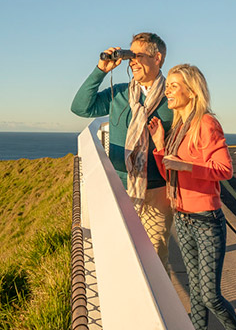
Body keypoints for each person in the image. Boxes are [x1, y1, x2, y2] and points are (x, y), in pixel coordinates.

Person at [147, 64, 236, 330]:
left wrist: (187, 166)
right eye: (168, 87)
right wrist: (161, 145)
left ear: (192, 90)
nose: (168, 92)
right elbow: (170, 174)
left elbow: (224, 170)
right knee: (196, 289)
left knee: (210, 295)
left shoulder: (206, 123)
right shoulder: (178, 128)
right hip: (183, 218)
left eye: (174, 86)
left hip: (206, 219)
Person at [71, 32, 174, 269]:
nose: (132, 61)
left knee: (156, 259)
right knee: (121, 256)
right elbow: (80, 107)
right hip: (121, 188)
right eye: (130, 55)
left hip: (158, 190)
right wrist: (101, 70)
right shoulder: (119, 93)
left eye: (138, 55)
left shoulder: (173, 95)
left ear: (157, 58)